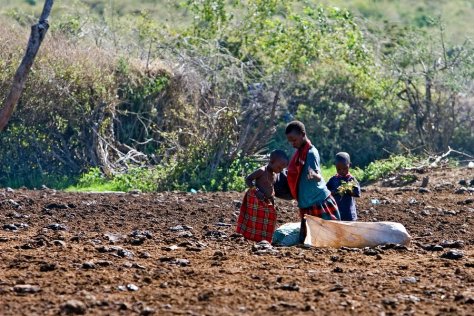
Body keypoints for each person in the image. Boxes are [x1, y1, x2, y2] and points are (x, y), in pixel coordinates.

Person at [285, 121, 341, 243]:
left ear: (302, 134)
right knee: (310, 241)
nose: (292, 144)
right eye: (290, 141)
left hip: (318, 201)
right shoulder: (299, 153)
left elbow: (318, 176)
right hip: (307, 202)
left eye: (294, 140)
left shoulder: (310, 153)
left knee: (329, 238)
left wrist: (313, 175)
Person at [236, 150, 289, 242]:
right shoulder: (262, 171)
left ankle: (263, 239)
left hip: (266, 200)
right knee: (254, 220)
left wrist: (272, 199)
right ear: (271, 162)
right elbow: (248, 179)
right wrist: (256, 191)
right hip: (256, 199)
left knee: (269, 219)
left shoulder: (274, 174)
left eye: (282, 169)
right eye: (279, 167)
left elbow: (270, 187)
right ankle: (251, 237)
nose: (280, 171)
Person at [326, 152, 361, 221]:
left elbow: (357, 193)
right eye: (339, 169)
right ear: (335, 166)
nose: (342, 171)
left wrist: (348, 190)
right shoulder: (333, 180)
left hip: (349, 215)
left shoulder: (351, 179)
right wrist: (332, 192)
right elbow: (325, 192)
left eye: (344, 168)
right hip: (336, 214)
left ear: (349, 165)